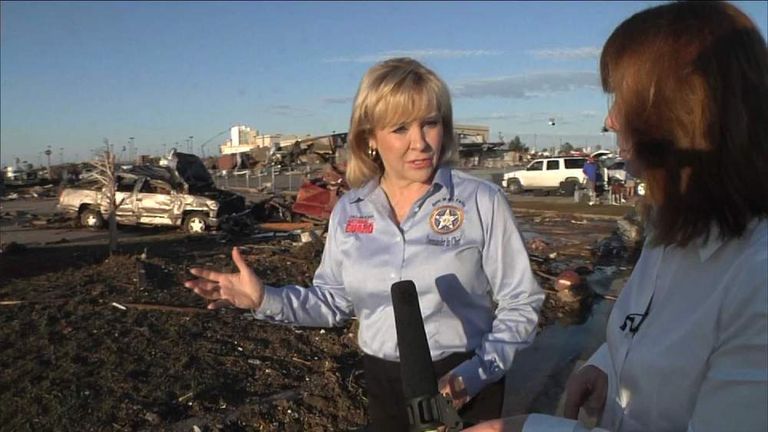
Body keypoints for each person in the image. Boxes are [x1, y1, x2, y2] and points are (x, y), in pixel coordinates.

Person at [184, 57, 544, 431]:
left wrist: (472, 376)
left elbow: (521, 302)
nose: (419, 142)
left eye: (430, 123)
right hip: (384, 384)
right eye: (400, 128)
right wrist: (263, 299)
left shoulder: (481, 201)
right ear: (370, 137)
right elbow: (331, 302)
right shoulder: (349, 211)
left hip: (467, 384)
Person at [466, 1, 768, 431]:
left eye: (623, 99)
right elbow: (646, 325)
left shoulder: (756, 281)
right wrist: (607, 363)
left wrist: (526, 428)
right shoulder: (670, 233)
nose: (609, 120)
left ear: (680, 114)